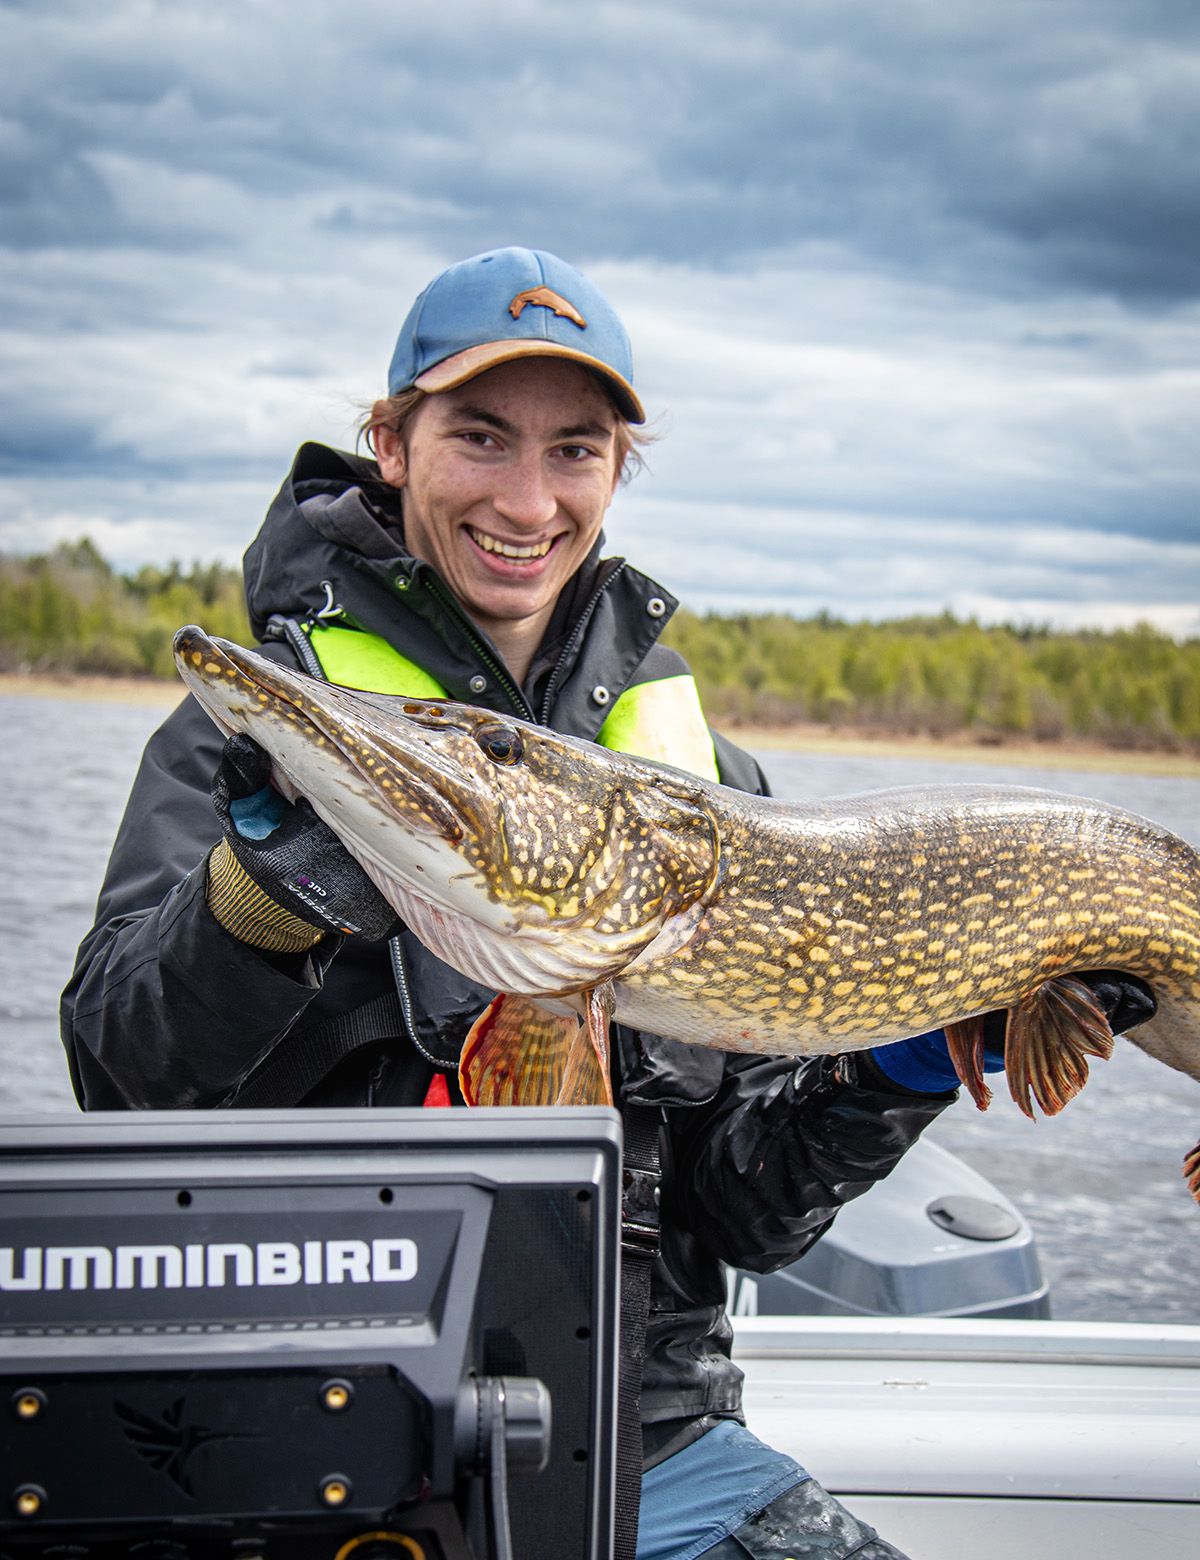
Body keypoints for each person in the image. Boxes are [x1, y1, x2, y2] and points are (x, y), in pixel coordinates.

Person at [62, 248, 1151, 1560]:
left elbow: (748, 1212)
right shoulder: (242, 753)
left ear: (616, 472)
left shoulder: (703, 777)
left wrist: (897, 1062)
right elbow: (115, 1076)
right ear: (391, 445)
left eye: (574, 451)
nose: (528, 499)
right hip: (314, 1439)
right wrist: (253, 903)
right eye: (479, 437)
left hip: (650, 1443)